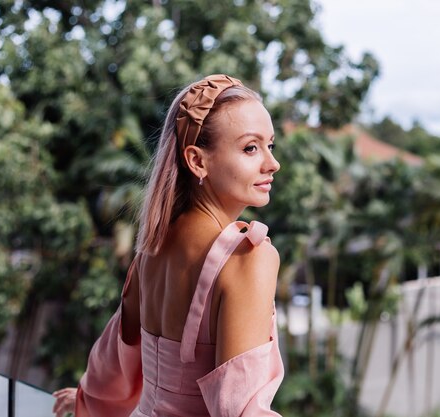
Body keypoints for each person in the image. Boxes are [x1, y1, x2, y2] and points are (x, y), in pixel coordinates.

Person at [52, 74, 284, 417]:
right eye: (251, 147)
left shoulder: (152, 249)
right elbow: (241, 411)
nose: (272, 163)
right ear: (197, 161)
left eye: (270, 145)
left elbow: (115, 360)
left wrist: (85, 401)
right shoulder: (249, 258)